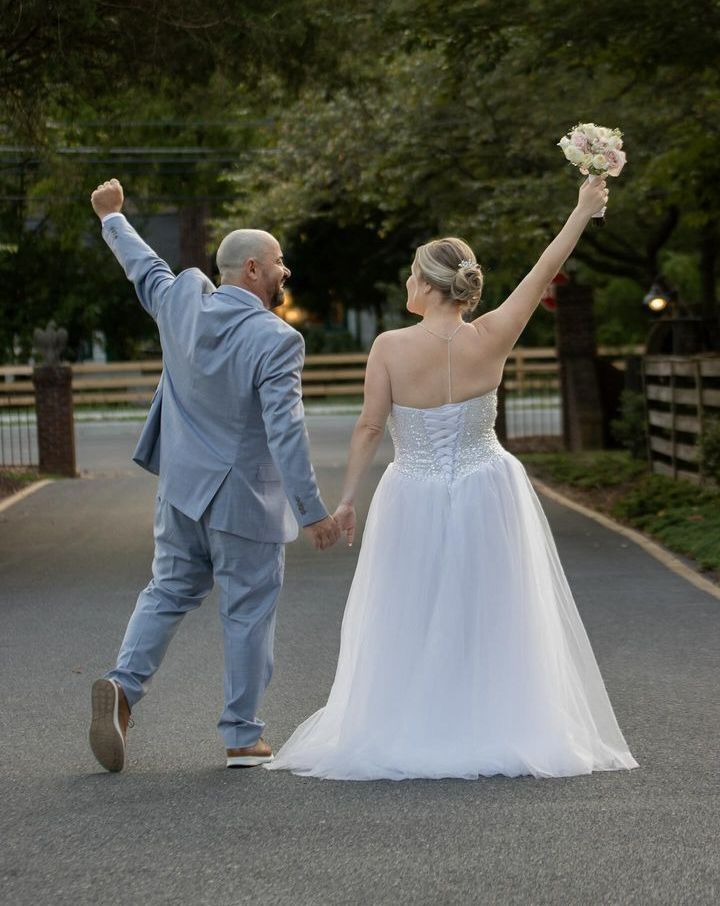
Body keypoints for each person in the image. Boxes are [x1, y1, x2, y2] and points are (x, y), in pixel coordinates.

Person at [267, 177, 639, 780]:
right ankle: (495, 719)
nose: (406, 284)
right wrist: (580, 211)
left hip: (412, 491)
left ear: (427, 284)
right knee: (492, 609)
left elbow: (369, 426)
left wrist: (347, 501)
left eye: (411, 275)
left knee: (409, 612)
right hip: (488, 486)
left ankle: (418, 721)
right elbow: (544, 270)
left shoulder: (389, 346)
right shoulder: (493, 335)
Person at [87, 179, 340, 773]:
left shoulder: (179, 306)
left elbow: (145, 269)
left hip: (179, 493)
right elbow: (286, 432)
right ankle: (242, 736)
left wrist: (112, 218)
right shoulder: (278, 340)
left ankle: (123, 687)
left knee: (166, 592)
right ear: (252, 269)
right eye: (278, 261)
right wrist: (312, 511)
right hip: (244, 503)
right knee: (247, 612)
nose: (285, 270)